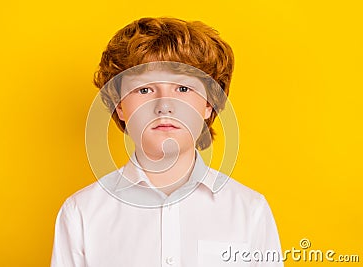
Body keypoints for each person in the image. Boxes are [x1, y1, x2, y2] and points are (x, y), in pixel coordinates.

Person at [51, 17, 283, 267]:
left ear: (208, 104)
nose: (164, 106)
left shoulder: (250, 210)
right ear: (120, 106)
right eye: (144, 90)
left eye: (183, 89)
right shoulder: (81, 214)